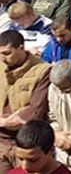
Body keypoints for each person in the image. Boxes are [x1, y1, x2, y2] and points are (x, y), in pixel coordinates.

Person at [0, 30, 51, 171]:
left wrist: (4, 122)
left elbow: (34, 112)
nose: (3, 58)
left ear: (21, 48)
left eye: (7, 53)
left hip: (26, 145)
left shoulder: (42, 70)